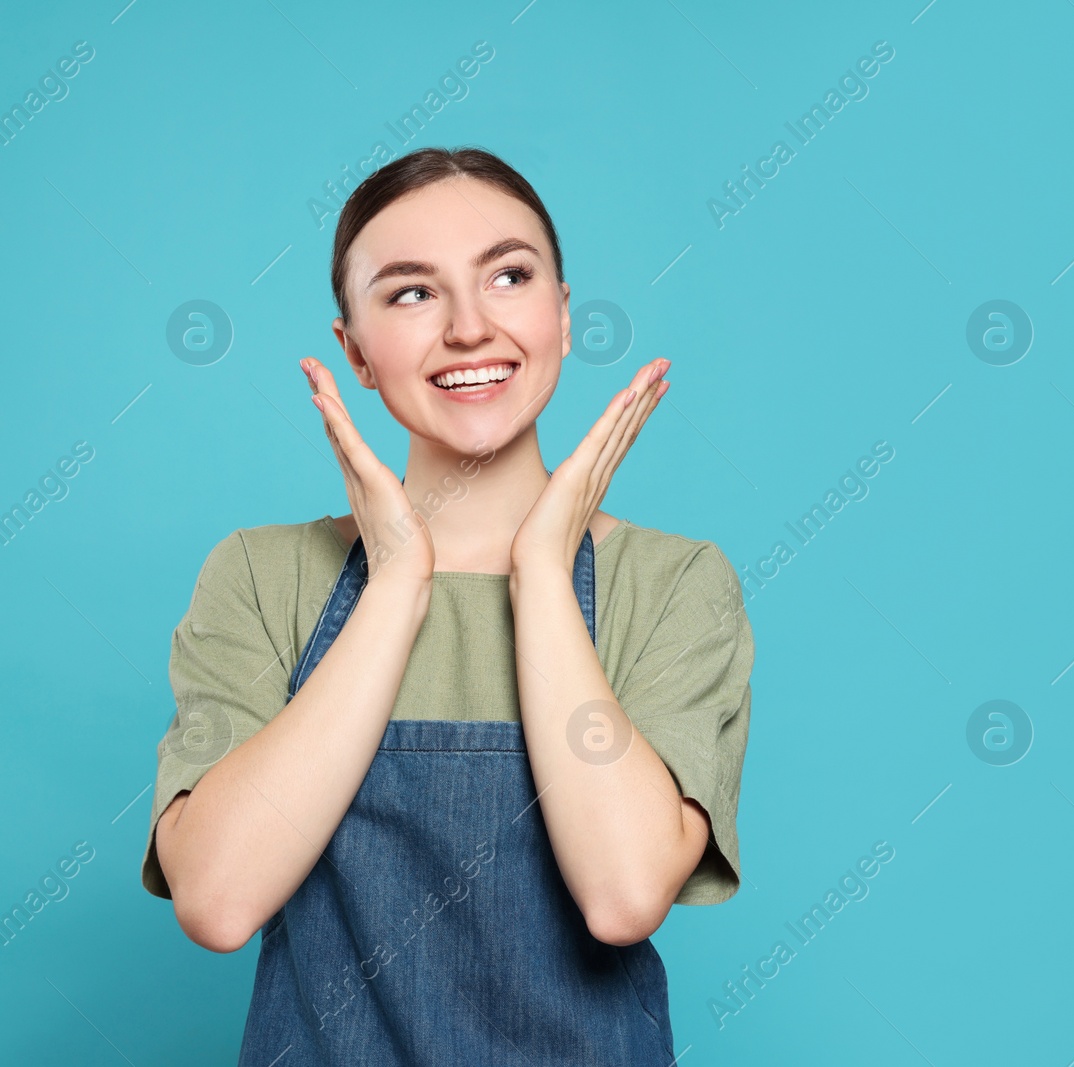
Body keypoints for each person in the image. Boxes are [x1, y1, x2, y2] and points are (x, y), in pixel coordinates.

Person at [140, 146, 754, 1065]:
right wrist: (394, 583)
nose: (471, 327)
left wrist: (542, 571)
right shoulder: (263, 576)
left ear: (561, 312)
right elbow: (220, 901)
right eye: (411, 292)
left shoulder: (673, 583)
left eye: (509, 275)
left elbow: (623, 895)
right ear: (354, 351)